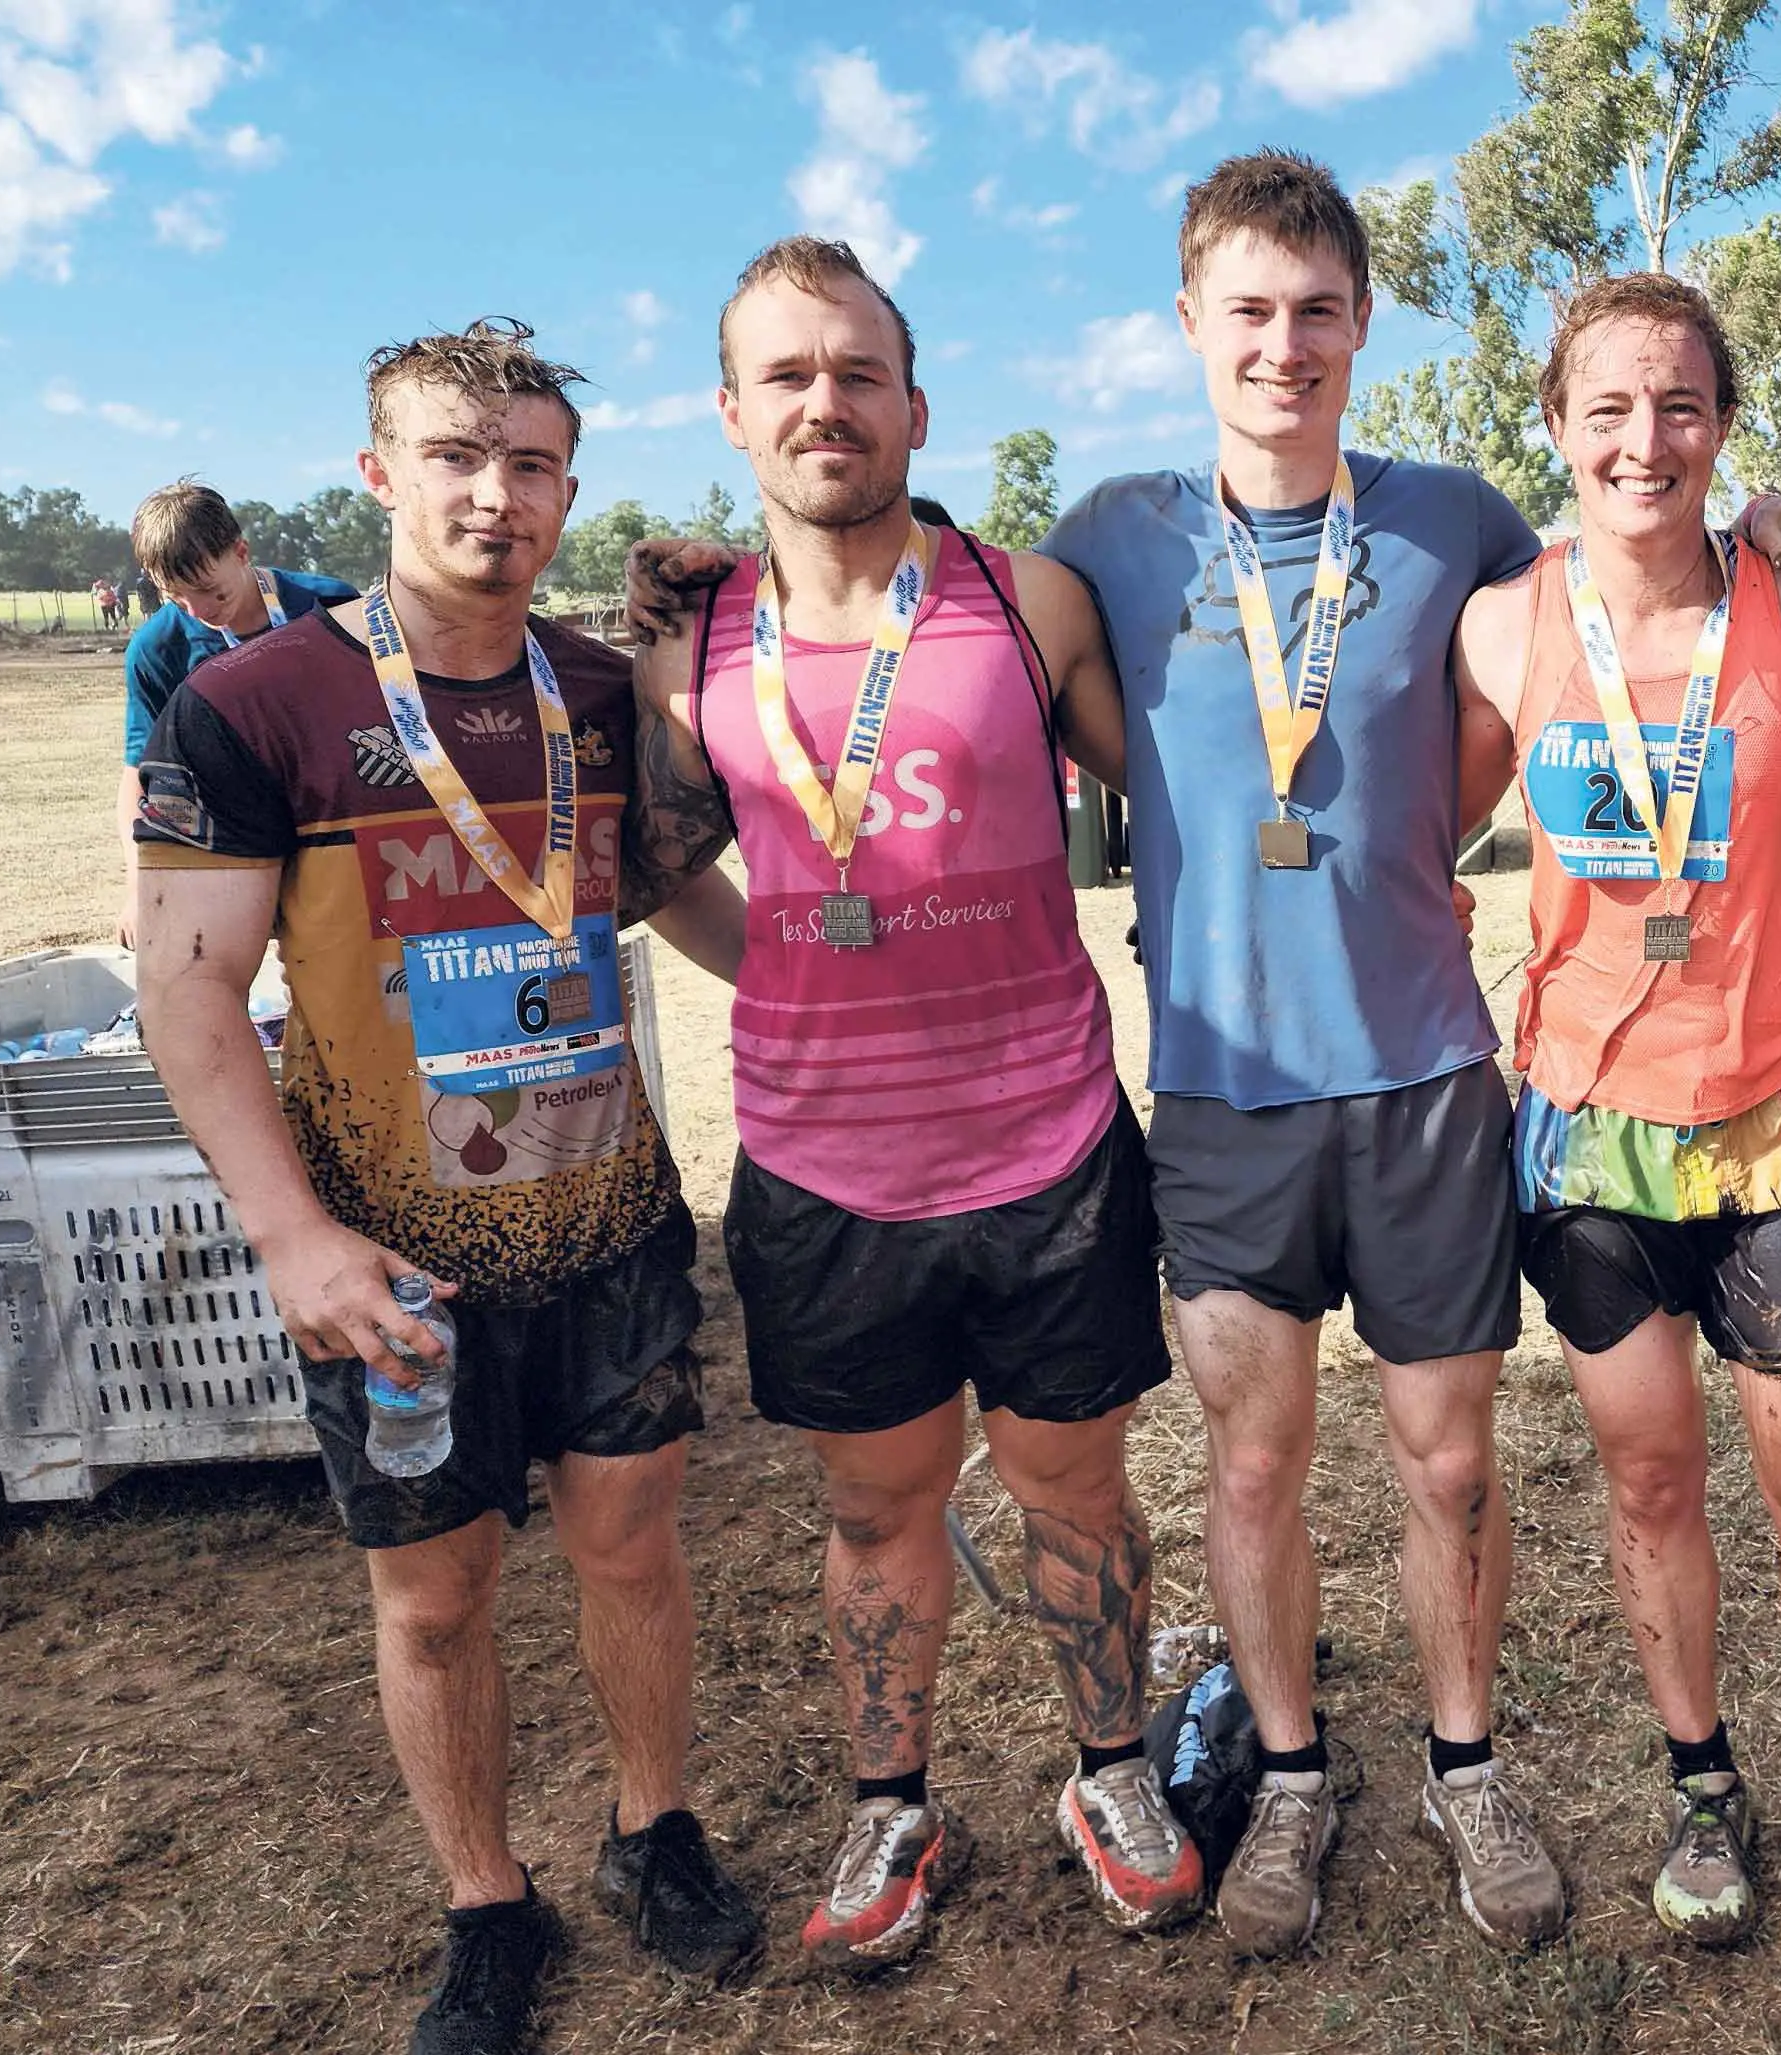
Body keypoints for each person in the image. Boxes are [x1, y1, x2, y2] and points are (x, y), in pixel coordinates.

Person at [1033, 150, 1781, 1958]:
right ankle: (1301, 1780)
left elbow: (1636, 570)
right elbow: (974, 635)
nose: (1284, 344)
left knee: (1449, 1464)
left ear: (1361, 324)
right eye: (1248, 309)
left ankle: (1466, 1766)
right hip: (1224, 1093)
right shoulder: (1107, 533)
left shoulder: (1454, 520)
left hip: (1421, 1077)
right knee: (1252, 1466)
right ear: (1188, 321)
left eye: (1318, 309)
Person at [131, 322, 761, 2055]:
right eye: (456, 459)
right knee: (434, 1590)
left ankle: (653, 1831)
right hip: (389, 1256)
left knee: (631, 1545)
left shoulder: (593, 689)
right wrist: (293, 1235)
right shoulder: (253, 706)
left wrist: (816, 987)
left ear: (568, 482)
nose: (498, 495)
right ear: (378, 474)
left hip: (609, 1212)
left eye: (534, 464)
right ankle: (486, 1900)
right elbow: (184, 987)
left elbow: (663, 893)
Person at [609, 235, 1206, 1968]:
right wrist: (790, 971)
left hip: (1047, 1149)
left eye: (857, 371)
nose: (825, 402)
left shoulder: (1027, 604)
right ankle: (894, 1804)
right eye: (787, 375)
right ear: (732, 413)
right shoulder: (689, 643)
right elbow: (659, 868)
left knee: (1072, 1492)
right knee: (874, 1510)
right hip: (822, 1167)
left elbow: (1166, 792)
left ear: (915, 406)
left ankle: (1110, 1773)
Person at [1451, 273, 1781, 1949]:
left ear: (1722, 428)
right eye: (1606, 408)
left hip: (1771, 1121)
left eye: (1677, 406)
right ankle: (1699, 1782)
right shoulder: (1498, 627)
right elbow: (1407, 831)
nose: (1642, 440)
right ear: (1556, 428)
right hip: (1589, 1130)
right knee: (1651, 1483)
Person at [115, 480, 358, 944]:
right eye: (176, 596)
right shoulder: (157, 649)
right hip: (232, 842)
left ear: (241, 551)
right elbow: (138, 776)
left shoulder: (332, 606)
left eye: (212, 592)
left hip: (333, 838)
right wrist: (137, 885)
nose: (199, 610)